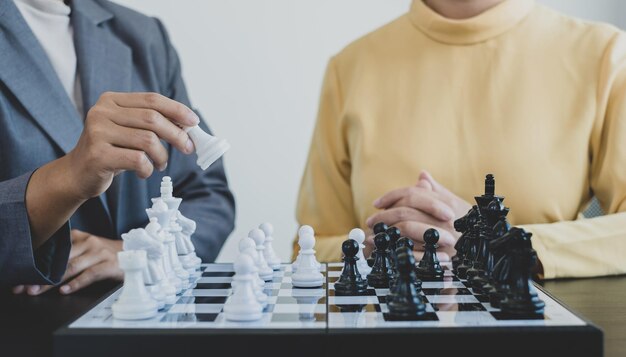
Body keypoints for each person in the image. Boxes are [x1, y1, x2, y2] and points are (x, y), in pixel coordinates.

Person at [296, 0, 626, 279]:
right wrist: (371, 248)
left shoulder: (605, 57)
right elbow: (311, 243)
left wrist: (498, 245)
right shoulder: (349, 68)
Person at [0, 0, 236, 294]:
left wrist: (140, 253)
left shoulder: (144, 35)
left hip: (145, 323)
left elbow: (209, 197)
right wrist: (67, 177)